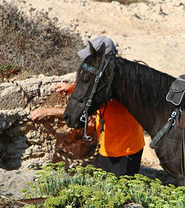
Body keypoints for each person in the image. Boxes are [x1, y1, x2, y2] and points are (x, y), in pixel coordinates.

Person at [30, 36, 145, 177]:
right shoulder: (112, 77)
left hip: (123, 152)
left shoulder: (119, 85)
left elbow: (83, 110)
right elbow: (93, 92)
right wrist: (72, 88)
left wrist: (48, 111)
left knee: (119, 193)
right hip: (112, 148)